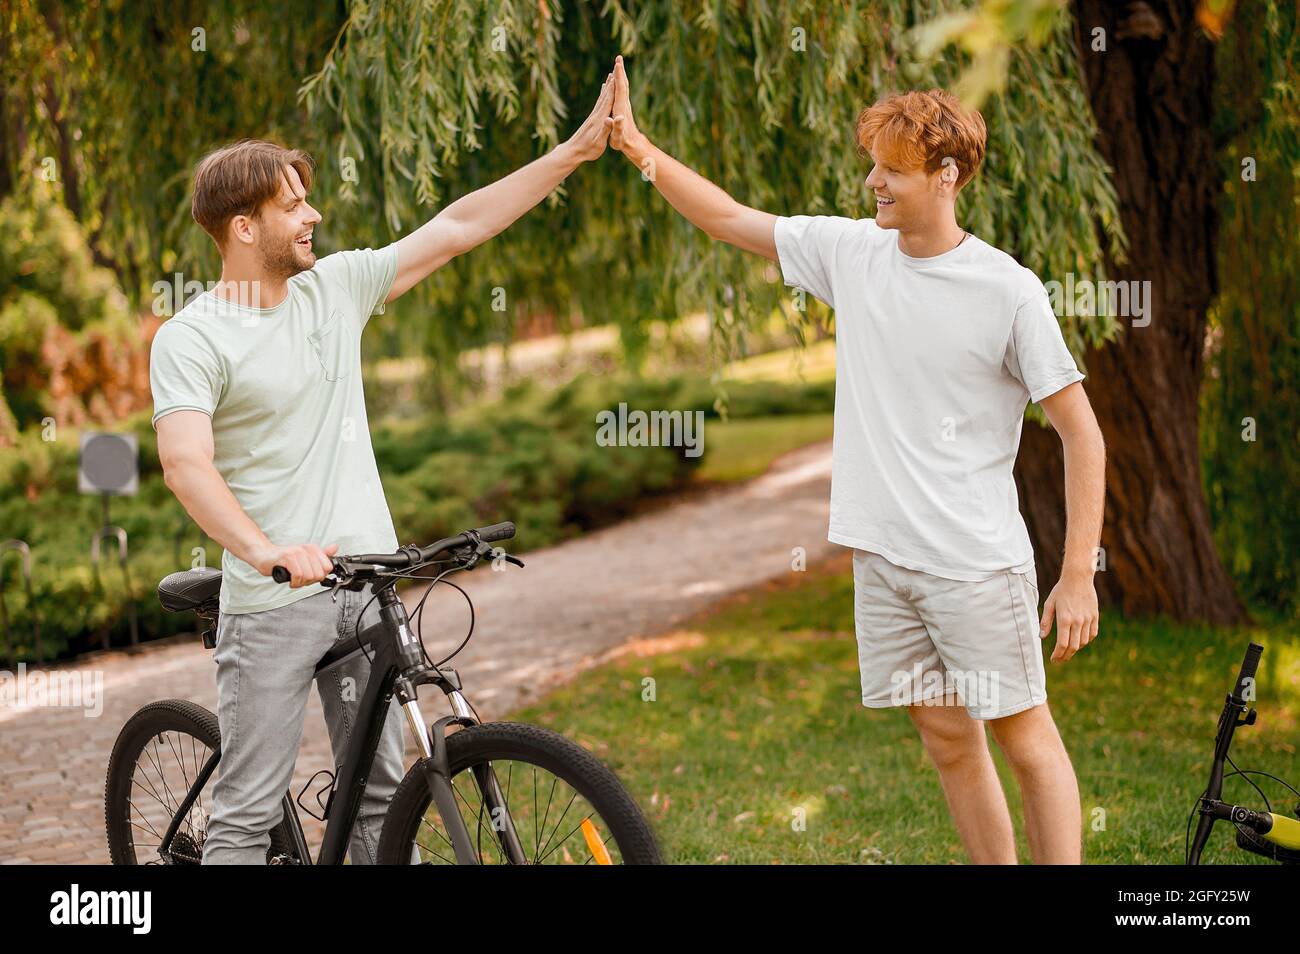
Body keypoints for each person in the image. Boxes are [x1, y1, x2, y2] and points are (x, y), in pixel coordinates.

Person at [604, 55, 1104, 864]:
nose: (872, 181)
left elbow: (1083, 433)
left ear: (946, 176)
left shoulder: (1008, 291)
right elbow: (731, 220)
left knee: (1023, 738)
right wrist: (640, 150)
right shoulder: (852, 254)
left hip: (974, 565)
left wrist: (1078, 571)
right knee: (946, 737)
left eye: (891, 170)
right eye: (871, 163)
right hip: (883, 559)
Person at [149, 75, 619, 864]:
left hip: (366, 584)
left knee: (377, 798)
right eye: (293, 206)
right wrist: (268, 550)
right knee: (244, 815)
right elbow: (185, 465)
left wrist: (573, 152)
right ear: (241, 226)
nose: (314, 217)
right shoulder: (192, 339)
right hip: (273, 599)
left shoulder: (333, 291)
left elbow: (459, 225)